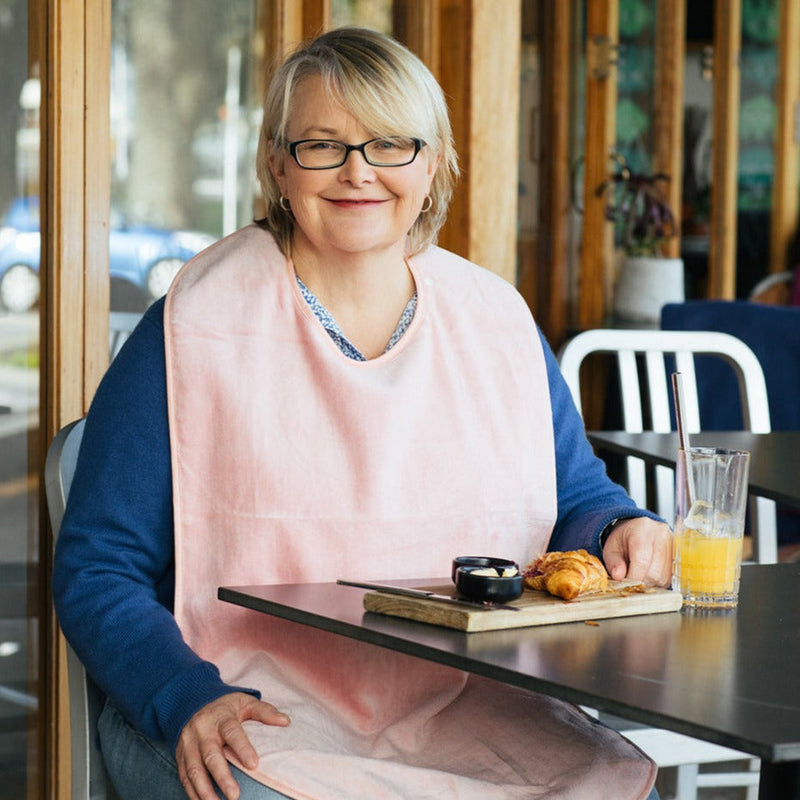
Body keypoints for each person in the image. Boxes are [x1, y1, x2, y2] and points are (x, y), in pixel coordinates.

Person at [53, 26, 672, 800]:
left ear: (435, 161)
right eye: (321, 145)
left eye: (390, 144)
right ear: (278, 163)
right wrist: (182, 697)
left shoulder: (497, 322)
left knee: (615, 788)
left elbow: (574, 497)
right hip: (245, 703)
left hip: (464, 699)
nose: (357, 173)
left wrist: (621, 529)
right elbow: (97, 568)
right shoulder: (192, 326)